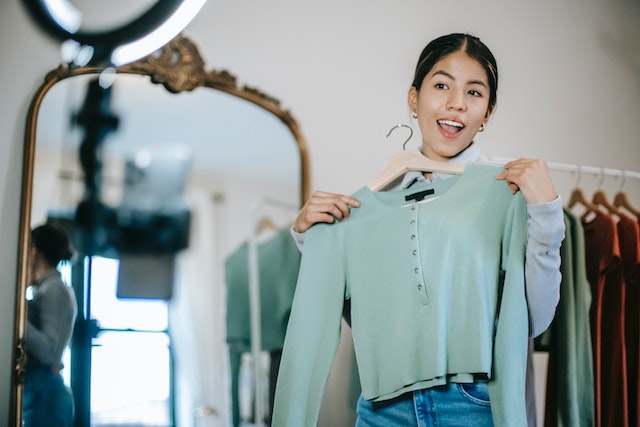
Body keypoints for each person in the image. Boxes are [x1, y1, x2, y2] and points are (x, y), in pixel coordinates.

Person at [273, 33, 565, 426]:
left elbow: (532, 321)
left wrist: (546, 215)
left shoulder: (506, 194)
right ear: (414, 98)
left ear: (487, 112)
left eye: (474, 92)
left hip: (471, 405)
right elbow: (367, 316)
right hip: (381, 409)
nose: (456, 103)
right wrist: (316, 241)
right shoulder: (363, 210)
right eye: (441, 85)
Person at [23, 222, 78, 427]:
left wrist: (18, 315)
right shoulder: (51, 288)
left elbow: (47, 350)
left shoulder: (53, 289)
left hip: (44, 395)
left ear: (34, 251)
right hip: (43, 391)